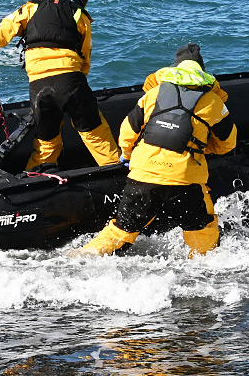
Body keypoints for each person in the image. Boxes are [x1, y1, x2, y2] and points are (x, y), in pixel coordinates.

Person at [84, 44, 237, 257]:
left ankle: (82, 257)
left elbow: (127, 132)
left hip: (143, 175)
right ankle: (203, 266)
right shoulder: (213, 101)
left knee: (120, 230)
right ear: (202, 72)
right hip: (185, 181)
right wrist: (202, 147)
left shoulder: (153, 94)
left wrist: (127, 156)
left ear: (174, 68)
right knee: (203, 232)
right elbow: (227, 143)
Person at [0, 0, 121, 171]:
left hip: (39, 86)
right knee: (96, 135)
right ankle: (117, 172)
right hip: (70, 81)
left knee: (46, 143)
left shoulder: (30, 8)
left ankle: (32, 179)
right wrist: (78, 85)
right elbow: (85, 56)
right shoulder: (80, 15)